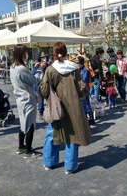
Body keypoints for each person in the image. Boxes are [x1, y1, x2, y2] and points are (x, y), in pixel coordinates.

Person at [39, 42, 91, 174]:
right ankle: (70, 166)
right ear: (66, 52)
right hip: (73, 108)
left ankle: (49, 162)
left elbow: (44, 91)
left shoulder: (50, 70)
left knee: (52, 134)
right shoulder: (74, 69)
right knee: (72, 135)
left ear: (54, 54)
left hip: (56, 108)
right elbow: (82, 89)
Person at [10, 44, 44, 158]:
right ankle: (28, 151)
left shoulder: (13, 67)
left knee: (23, 123)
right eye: (25, 52)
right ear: (21, 53)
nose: (27, 54)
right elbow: (35, 80)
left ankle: (21, 146)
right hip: (27, 100)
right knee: (30, 125)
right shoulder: (22, 69)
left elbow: (26, 82)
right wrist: (40, 69)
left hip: (20, 99)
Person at [78, 56, 95, 126]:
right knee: (83, 103)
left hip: (85, 88)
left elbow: (84, 80)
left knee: (86, 102)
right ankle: (86, 116)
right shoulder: (79, 70)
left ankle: (90, 116)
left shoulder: (85, 70)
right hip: (81, 89)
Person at [33, 52, 49, 119]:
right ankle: (41, 111)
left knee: (48, 97)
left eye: (45, 57)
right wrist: (40, 68)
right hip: (39, 84)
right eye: (42, 57)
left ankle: (49, 110)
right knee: (40, 98)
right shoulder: (37, 65)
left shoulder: (47, 65)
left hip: (46, 83)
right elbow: (34, 74)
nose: (44, 59)